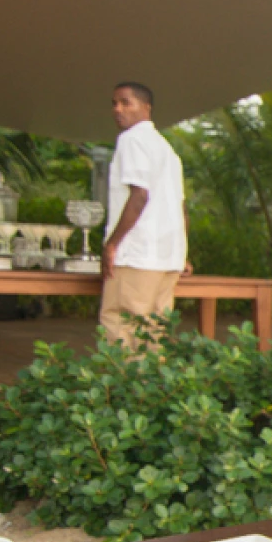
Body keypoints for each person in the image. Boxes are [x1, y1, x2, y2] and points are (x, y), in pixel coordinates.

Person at [100, 81, 188, 346]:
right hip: (167, 257)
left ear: (146, 107)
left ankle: (122, 388)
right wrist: (184, 252)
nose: (118, 109)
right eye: (114, 103)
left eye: (126, 102)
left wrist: (112, 244)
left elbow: (139, 195)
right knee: (153, 334)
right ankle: (153, 387)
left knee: (121, 327)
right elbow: (180, 207)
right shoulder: (166, 149)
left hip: (137, 253)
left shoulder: (132, 139)